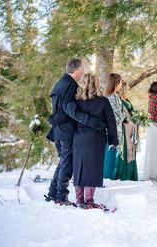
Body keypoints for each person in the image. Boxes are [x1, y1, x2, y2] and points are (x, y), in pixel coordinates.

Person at [45, 58, 106, 205]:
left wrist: (54, 119)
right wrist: (91, 121)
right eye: (83, 69)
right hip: (66, 131)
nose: (83, 72)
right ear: (77, 70)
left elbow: (62, 109)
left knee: (63, 163)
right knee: (67, 165)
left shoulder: (60, 82)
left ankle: (53, 193)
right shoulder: (70, 85)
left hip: (59, 130)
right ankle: (61, 197)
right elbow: (70, 110)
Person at [73, 74, 118, 207]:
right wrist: (113, 141)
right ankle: (89, 200)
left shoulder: (76, 102)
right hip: (96, 138)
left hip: (79, 138)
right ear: (96, 84)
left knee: (79, 167)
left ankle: (79, 199)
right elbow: (111, 122)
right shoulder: (102, 101)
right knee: (92, 168)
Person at [103, 73, 126, 180]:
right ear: (116, 83)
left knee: (111, 160)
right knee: (111, 161)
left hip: (111, 132)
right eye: (121, 82)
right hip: (113, 132)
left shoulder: (108, 96)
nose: (121, 84)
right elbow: (116, 118)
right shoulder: (112, 97)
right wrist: (125, 115)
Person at [115, 81, 138, 181]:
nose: (128, 89)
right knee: (126, 150)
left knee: (132, 149)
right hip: (124, 129)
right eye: (127, 87)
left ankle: (131, 174)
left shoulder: (126, 99)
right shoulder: (119, 100)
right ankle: (124, 175)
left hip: (131, 128)